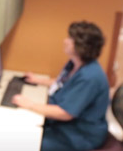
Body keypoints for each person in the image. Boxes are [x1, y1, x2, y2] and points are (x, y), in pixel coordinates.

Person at [12, 21, 109, 151]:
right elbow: (64, 82)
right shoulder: (75, 63)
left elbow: (66, 113)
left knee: (26, 142)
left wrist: (29, 104)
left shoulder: (90, 77)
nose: (65, 41)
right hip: (64, 126)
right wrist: (38, 80)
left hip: (78, 135)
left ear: (81, 46)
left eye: (70, 38)